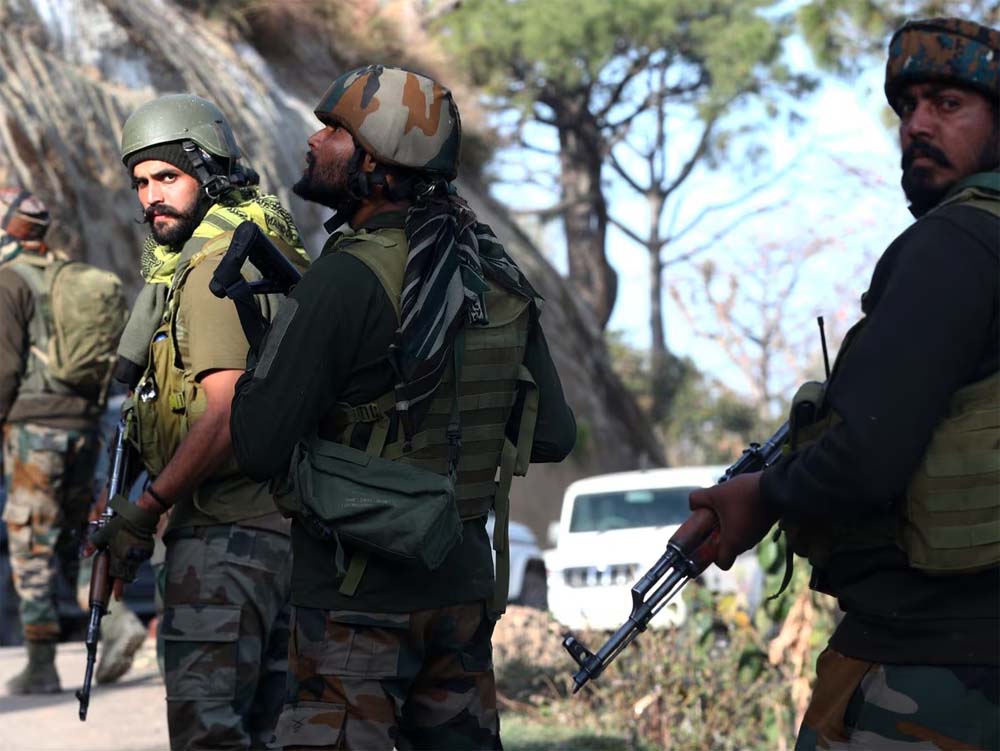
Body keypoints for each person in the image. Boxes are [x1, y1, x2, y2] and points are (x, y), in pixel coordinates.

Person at [230, 65, 576, 750]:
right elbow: (552, 435)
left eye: (335, 131)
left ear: (376, 162)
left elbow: (258, 443)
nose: (314, 140)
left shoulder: (345, 276)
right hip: (460, 595)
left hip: (358, 604)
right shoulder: (492, 270)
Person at [688, 17, 999, 750]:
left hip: (928, 661)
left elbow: (865, 455)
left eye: (948, 104)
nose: (917, 125)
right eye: (907, 107)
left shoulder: (954, 243)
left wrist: (765, 493)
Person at [93, 94, 310, 749]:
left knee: (207, 736)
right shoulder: (264, 247)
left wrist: (145, 509)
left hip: (226, 540)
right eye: (140, 182)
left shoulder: (214, 266)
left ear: (209, 171)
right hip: (281, 534)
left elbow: (224, 413)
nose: (151, 197)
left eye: (167, 176)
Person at [0, 188, 143, 693]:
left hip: (35, 432)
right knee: (70, 538)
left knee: (30, 543)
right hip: (84, 426)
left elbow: (5, 369)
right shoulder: (66, 275)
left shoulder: (10, 280)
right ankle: (117, 621)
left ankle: (41, 664)